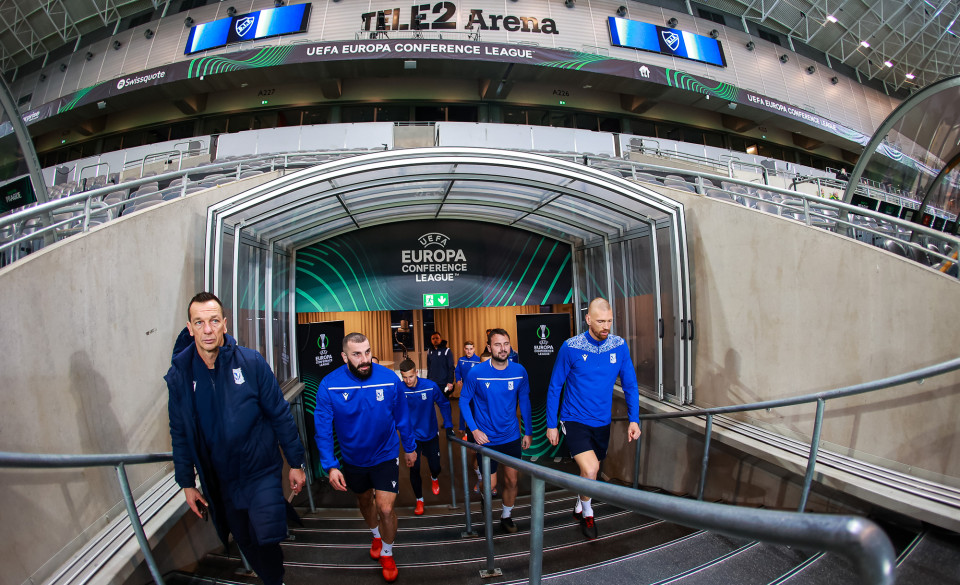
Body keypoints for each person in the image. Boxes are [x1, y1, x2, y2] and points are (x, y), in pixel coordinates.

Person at [166, 292, 306, 585]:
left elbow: (280, 414)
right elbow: (179, 432)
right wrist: (187, 483)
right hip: (220, 479)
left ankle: (275, 580)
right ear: (190, 328)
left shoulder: (251, 363)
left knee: (266, 534)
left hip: (260, 471)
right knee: (243, 538)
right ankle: (270, 575)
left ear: (224, 324)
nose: (208, 329)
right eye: (200, 322)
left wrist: (295, 462)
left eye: (214, 321)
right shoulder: (180, 376)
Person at [314, 332, 418, 583]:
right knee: (364, 503)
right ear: (344, 357)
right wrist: (330, 465)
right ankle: (375, 535)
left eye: (368, 352)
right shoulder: (330, 384)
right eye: (357, 354)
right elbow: (323, 427)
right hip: (353, 460)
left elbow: (402, 416)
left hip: (385, 454)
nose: (364, 360)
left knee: (385, 508)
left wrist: (410, 447)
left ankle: (387, 551)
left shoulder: (388, 379)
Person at [545, 298, 641, 540]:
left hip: (602, 422)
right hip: (574, 418)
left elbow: (630, 384)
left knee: (590, 473)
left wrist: (634, 419)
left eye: (609, 321)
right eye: (600, 321)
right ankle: (587, 513)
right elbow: (555, 386)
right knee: (591, 469)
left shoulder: (619, 346)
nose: (605, 326)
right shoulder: (571, 346)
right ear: (588, 320)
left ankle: (580, 499)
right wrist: (551, 424)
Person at [460, 328, 533, 534]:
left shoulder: (519, 371)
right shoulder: (477, 373)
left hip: (510, 436)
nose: (503, 349)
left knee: (512, 480)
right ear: (489, 347)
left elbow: (525, 401)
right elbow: (464, 401)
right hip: (487, 439)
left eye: (506, 344)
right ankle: (485, 499)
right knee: (489, 485)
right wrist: (474, 430)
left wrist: (528, 431)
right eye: (498, 344)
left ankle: (506, 516)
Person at [398, 359, 454, 515]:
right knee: (414, 470)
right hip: (411, 438)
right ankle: (419, 500)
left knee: (435, 467)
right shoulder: (400, 390)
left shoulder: (430, 386)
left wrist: (448, 425)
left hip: (430, 434)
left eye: (410, 376)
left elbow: (443, 404)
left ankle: (434, 478)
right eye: (404, 377)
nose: (408, 381)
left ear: (416, 372)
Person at [426, 331, 455, 397]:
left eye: (437, 338)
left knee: (444, 403)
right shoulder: (429, 351)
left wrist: (450, 382)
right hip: (432, 382)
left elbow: (451, 367)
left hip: (443, 383)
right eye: (433, 339)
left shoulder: (447, 351)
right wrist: (428, 380)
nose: (435, 340)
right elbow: (429, 367)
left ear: (440, 339)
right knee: (432, 402)